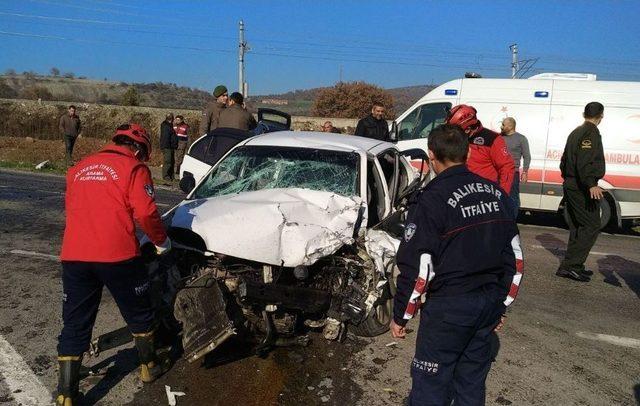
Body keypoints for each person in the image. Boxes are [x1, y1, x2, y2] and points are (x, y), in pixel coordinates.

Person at [391, 124, 524, 405]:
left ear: (431, 155)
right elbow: (515, 260)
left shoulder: (431, 199)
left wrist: (402, 314)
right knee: (471, 384)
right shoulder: (496, 194)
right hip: (487, 305)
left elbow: (419, 267)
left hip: (448, 309)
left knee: (430, 386)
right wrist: (501, 306)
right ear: (468, 153)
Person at [56, 124, 172, 405]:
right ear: (138, 149)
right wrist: (161, 241)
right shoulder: (133, 168)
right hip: (117, 255)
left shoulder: (79, 167)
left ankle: (66, 394)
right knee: (139, 311)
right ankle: (149, 367)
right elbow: (145, 211)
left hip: (74, 254)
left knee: (75, 320)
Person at [557, 102, 606, 282]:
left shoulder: (575, 131)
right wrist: (591, 183)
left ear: (583, 113)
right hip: (581, 186)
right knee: (592, 225)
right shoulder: (590, 133)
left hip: (572, 183)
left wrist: (568, 178)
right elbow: (584, 162)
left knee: (578, 226)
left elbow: (564, 161)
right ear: (601, 116)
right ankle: (572, 266)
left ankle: (569, 265)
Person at [446, 104, 515, 195]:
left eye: (456, 131)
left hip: (483, 194)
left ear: (467, 129)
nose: (452, 135)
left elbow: (506, 167)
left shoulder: (492, 139)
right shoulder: (454, 139)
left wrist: (502, 195)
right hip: (458, 193)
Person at [501, 117, 531, 218]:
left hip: (513, 173)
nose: (501, 127)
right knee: (499, 196)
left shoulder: (521, 138)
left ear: (510, 126)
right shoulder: (499, 138)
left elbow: (527, 156)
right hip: (499, 173)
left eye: (503, 125)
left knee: (513, 197)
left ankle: (512, 220)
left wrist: (525, 172)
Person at [160, 113, 178, 181]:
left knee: (172, 162)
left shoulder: (169, 126)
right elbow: (166, 138)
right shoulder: (166, 126)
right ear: (172, 118)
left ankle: (171, 176)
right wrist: (167, 146)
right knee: (168, 161)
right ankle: (166, 176)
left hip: (170, 146)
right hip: (167, 146)